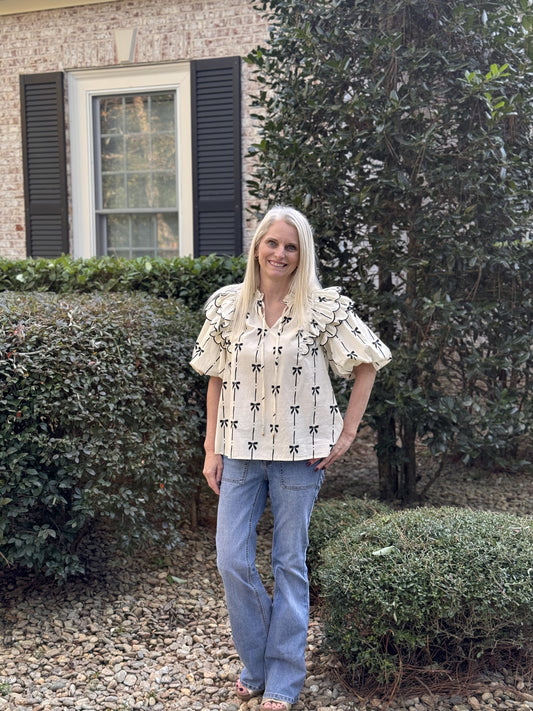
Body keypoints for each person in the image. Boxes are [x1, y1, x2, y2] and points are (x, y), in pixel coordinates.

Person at [190, 206, 391, 711]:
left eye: (291, 246)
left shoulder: (323, 309)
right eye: (272, 243)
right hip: (237, 450)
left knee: (288, 563)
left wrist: (345, 434)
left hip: (301, 456)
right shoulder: (227, 306)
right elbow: (215, 377)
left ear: (303, 255)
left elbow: (368, 362)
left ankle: (282, 677)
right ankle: (257, 662)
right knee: (232, 559)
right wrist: (211, 446)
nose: (279, 253)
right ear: (257, 246)